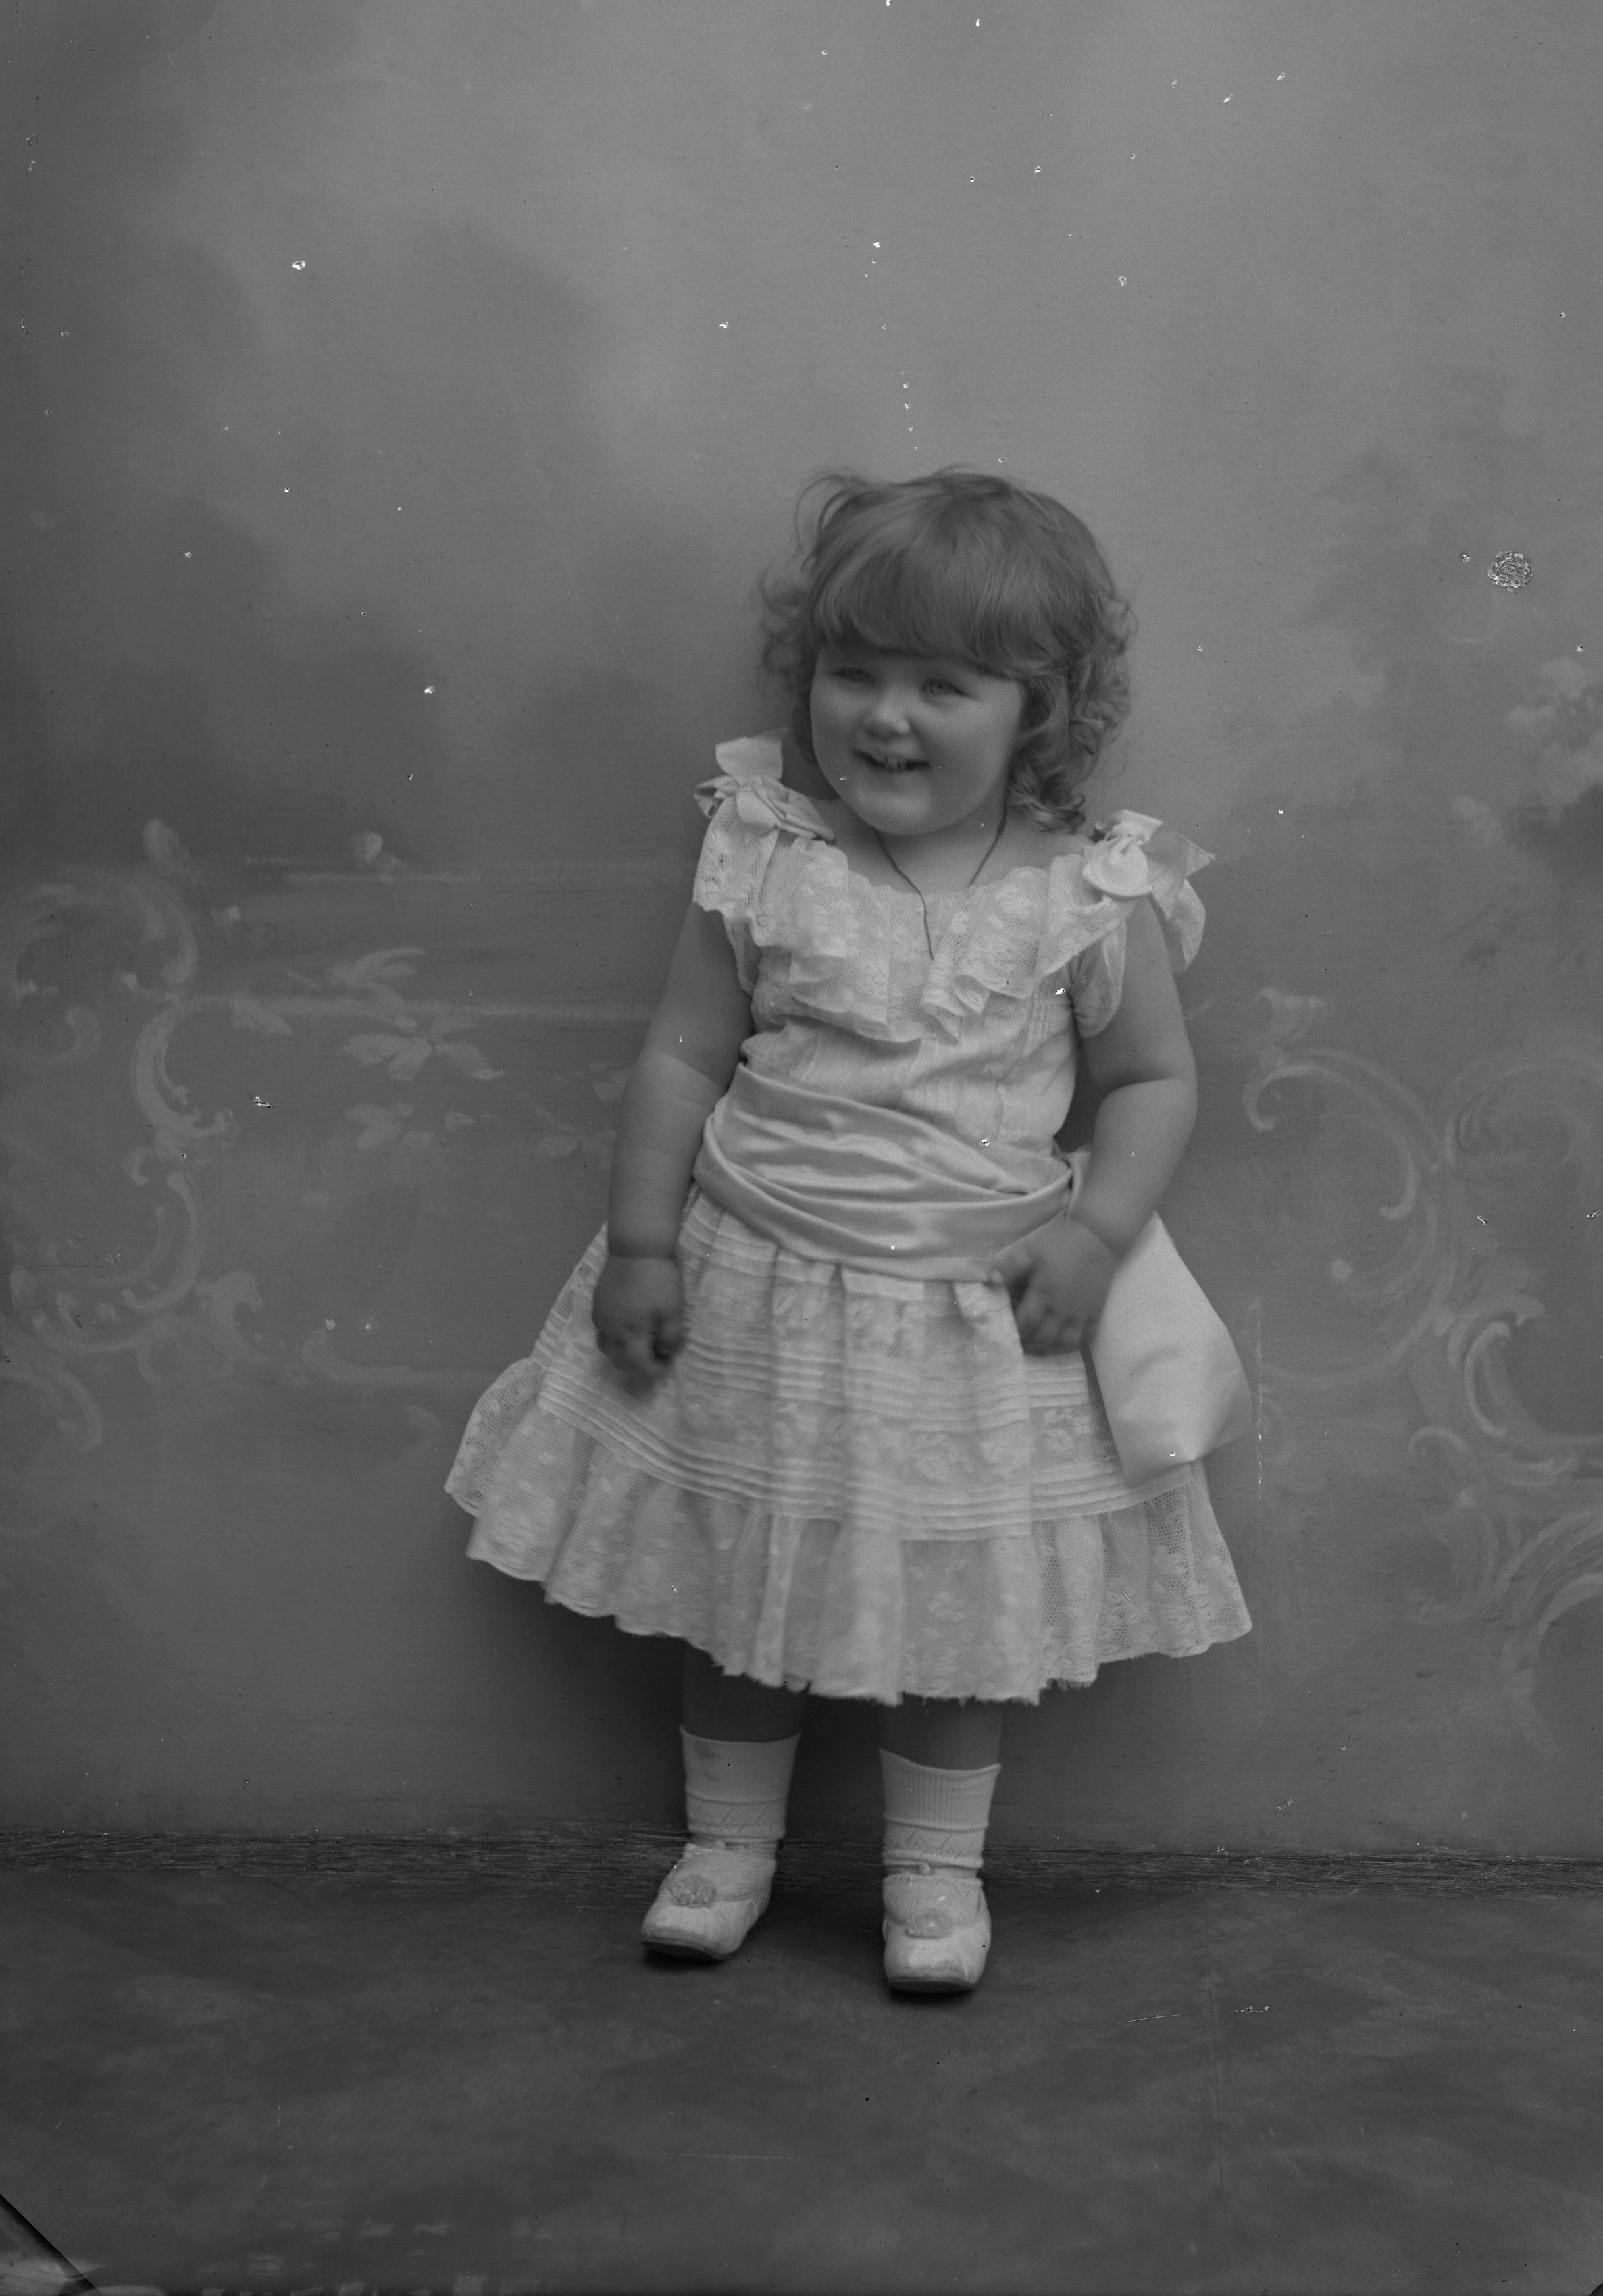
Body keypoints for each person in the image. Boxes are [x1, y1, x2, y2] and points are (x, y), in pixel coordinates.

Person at [447, 467, 1252, 1993]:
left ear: (1038, 708)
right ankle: (727, 1845)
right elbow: (681, 1053)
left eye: (943, 685)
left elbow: (1154, 1078)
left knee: (954, 1607)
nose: (886, 715)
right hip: (756, 1278)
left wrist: (1096, 1232)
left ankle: (935, 1871)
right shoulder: (768, 849)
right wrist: (642, 1241)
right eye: (854, 670)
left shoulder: (1092, 889)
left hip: (971, 1306)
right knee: (740, 1577)